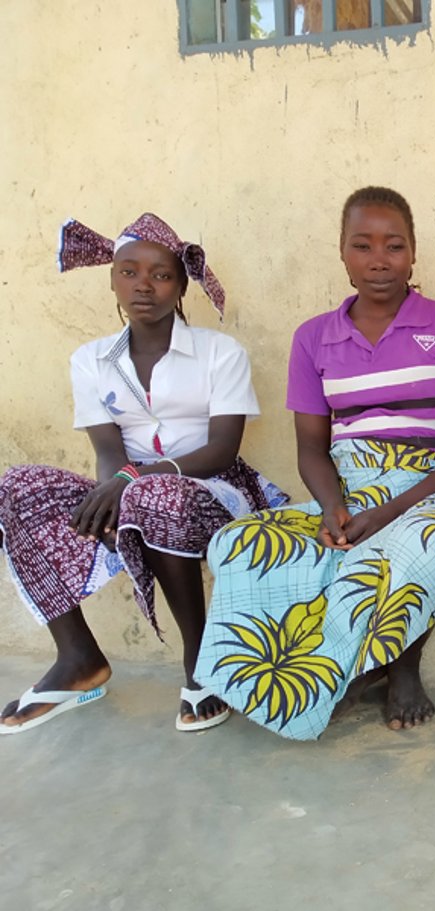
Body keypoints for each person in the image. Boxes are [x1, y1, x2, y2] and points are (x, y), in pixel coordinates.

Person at [194, 186, 435, 741]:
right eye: (363, 245)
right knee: (238, 543)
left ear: (414, 252)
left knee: (420, 542)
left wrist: (391, 510)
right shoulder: (314, 339)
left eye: (394, 246)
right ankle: (320, 675)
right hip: (348, 487)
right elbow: (311, 447)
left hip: (432, 492)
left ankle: (400, 668)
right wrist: (334, 508)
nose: (379, 260)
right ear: (343, 252)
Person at [0, 213, 282, 735]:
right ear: (112, 279)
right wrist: (117, 491)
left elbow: (222, 450)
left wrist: (136, 484)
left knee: (158, 496)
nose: (144, 286)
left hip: (212, 491)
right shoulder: (90, 360)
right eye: (129, 272)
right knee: (16, 488)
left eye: (161, 275)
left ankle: (200, 662)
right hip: (130, 487)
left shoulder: (220, 353)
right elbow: (107, 451)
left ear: (181, 285)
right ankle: (78, 658)